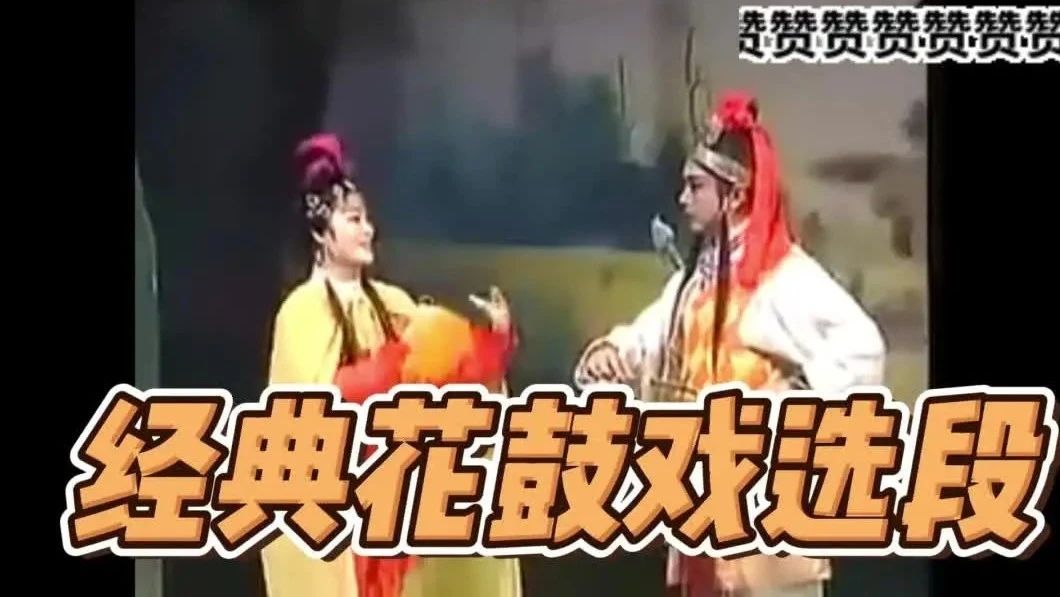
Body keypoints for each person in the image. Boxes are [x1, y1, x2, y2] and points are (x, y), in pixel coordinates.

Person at [572, 91, 886, 597]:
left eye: (695, 187)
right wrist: (613, 354)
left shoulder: (784, 278)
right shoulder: (695, 282)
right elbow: (647, 337)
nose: (683, 199)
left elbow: (862, 346)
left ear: (736, 196)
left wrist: (792, 413)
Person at [261, 132, 523, 597]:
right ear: (320, 231)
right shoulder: (301, 312)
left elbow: (448, 369)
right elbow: (319, 403)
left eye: (367, 220)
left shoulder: (391, 303)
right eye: (353, 220)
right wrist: (402, 361)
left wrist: (493, 341)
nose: (368, 231)